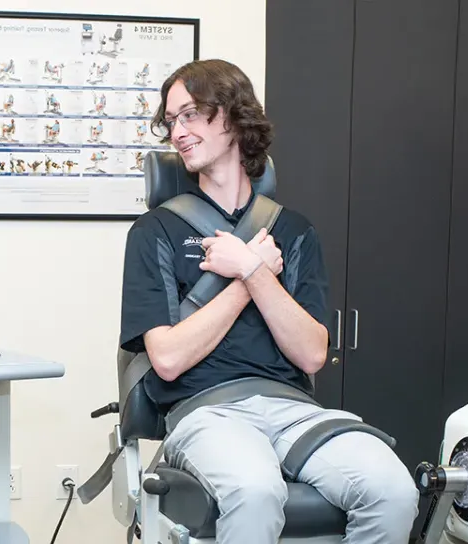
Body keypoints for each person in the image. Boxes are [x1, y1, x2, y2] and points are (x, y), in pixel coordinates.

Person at [119, 58, 419, 543]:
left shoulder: (294, 233)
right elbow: (169, 360)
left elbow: (312, 353)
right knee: (256, 492)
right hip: (206, 411)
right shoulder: (154, 232)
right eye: (172, 121)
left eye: (192, 114)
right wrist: (245, 277)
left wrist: (255, 270)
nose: (178, 131)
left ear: (234, 118)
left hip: (292, 411)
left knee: (393, 491)